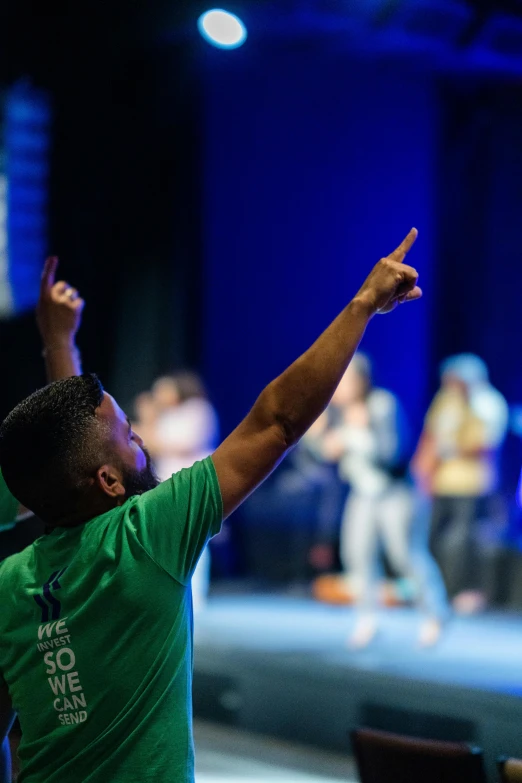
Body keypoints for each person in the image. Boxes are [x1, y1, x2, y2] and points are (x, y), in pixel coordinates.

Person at [0, 229, 422, 783]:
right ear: (106, 481)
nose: (142, 441)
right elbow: (278, 421)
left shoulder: (9, 584)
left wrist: (59, 344)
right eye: (129, 435)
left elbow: (68, 447)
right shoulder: (145, 537)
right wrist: (363, 304)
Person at [316, 354, 448, 648]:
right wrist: (320, 441)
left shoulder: (382, 405)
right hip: (362, 492)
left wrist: (361, 435)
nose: (340, 388)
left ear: (362, 380)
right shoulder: (337, 412)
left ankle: (434, 615)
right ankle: (367, 619)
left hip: (396, 492)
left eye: (347, 380)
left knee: (404, 554)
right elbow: (320, 456)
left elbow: (394, 455)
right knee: (356, 553)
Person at [413, 353, 508, 613]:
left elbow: (487, 445)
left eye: (453, 381)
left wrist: (452, 447)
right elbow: (431, 434)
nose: (449, 385)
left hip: (472, 484)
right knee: (431, 538)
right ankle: (433, 591)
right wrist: (423, 470)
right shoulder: (445, 399)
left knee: (463, 543)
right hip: (441, 481)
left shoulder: (487, 402)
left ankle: (461, 593)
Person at [135, 373, 219, 610]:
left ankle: (196, 597)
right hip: (166, 486)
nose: (159, 395)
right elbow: (146, 441)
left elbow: (176, 443)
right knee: (168, 538)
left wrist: (150, 425)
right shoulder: (167, 417)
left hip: (193, 484)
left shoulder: (197, 410)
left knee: (195, 538)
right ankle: (171, 592)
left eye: (163, 389)